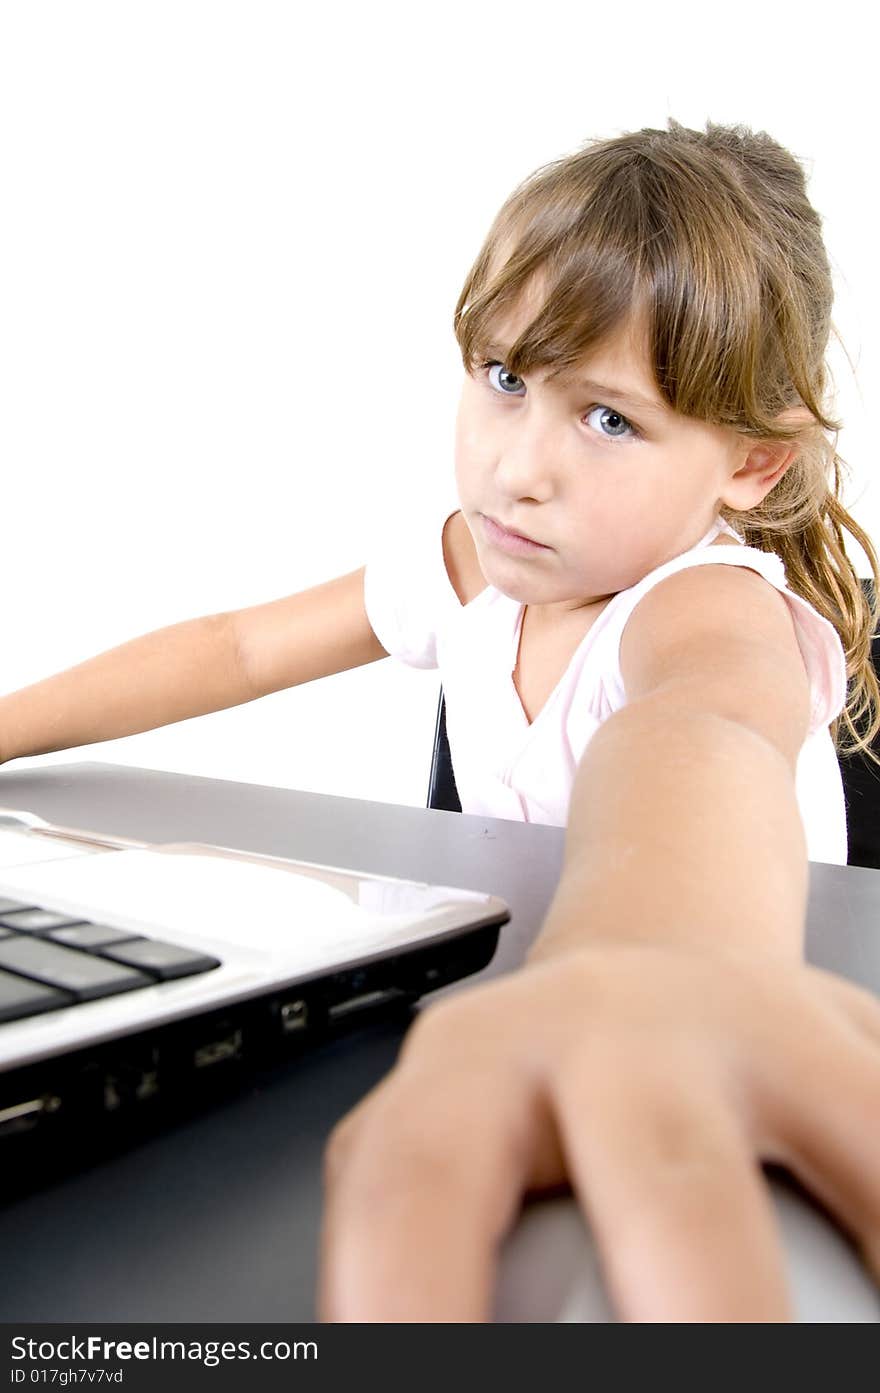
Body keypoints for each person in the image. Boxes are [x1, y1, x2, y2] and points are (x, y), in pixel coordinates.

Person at [2, 117, 880, 1321]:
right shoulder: (471, 562)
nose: (519, 468)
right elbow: (239, 645)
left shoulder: (706, 608)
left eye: (608, 418)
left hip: (695, 1070)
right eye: (506, 379)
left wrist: (660, 969)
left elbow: (700, 733)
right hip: (512, 1032)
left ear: (750, 468)